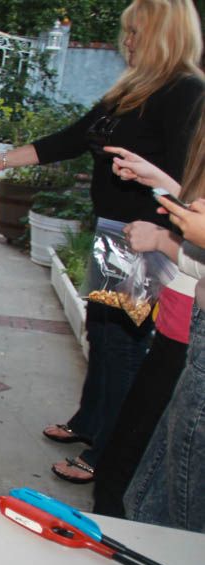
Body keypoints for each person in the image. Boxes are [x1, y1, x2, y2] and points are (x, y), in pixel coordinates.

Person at [0, 0, 205, 484]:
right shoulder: (134, 88)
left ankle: (108, 450)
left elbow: (189, 181)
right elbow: (73, 139)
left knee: (123, 346)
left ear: (162, 34)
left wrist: (163, 239)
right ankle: (89, 420)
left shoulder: (186, 92)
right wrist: (3, 159)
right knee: (103, 331)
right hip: (114, 234)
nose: (128, 42)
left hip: (145, 244)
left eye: (136, 33)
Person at [86, 147, 196, 517]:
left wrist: (164, 241)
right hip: (177, 336)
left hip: (187, 345)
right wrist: (162, 183)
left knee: (131, 484)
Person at [109, 131, 205, 532]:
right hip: (190, 329)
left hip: (190, 335)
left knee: (176, 518)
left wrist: (167, 242)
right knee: (146, 498)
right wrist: (161, 182)